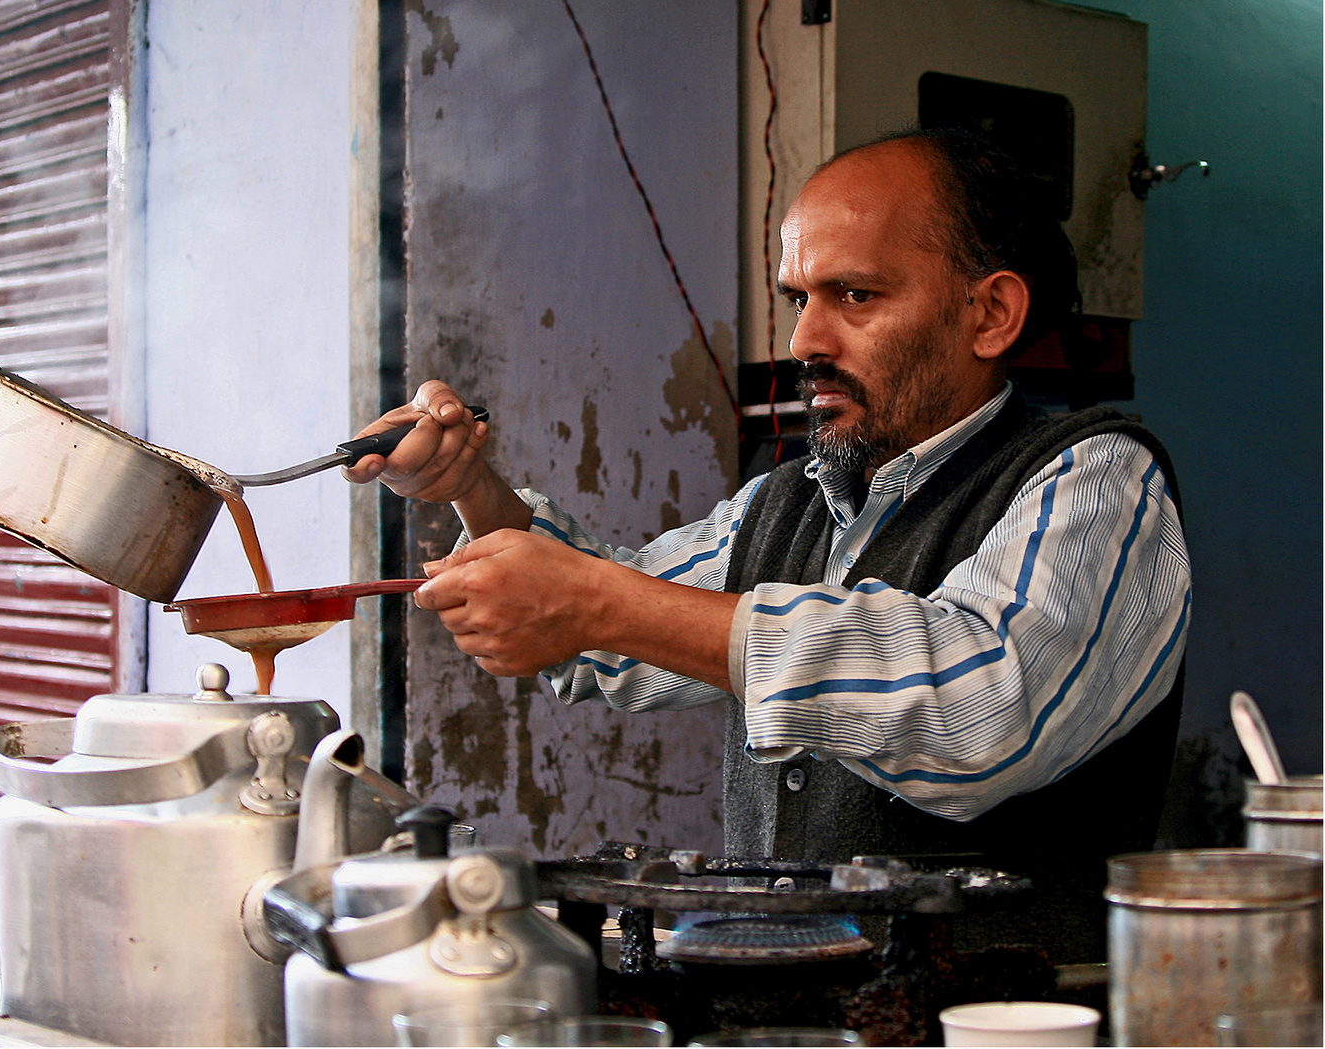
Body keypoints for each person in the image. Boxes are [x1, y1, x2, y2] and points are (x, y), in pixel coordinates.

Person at [344, 128, 1191, 963]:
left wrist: (598, 601)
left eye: (855, 295)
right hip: (799, 1016)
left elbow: (983, 710)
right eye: (799, 299)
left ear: (991, 313)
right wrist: (473, 492)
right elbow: (603, 637)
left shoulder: (1096, 480)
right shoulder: (789, 503)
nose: (804, 344)